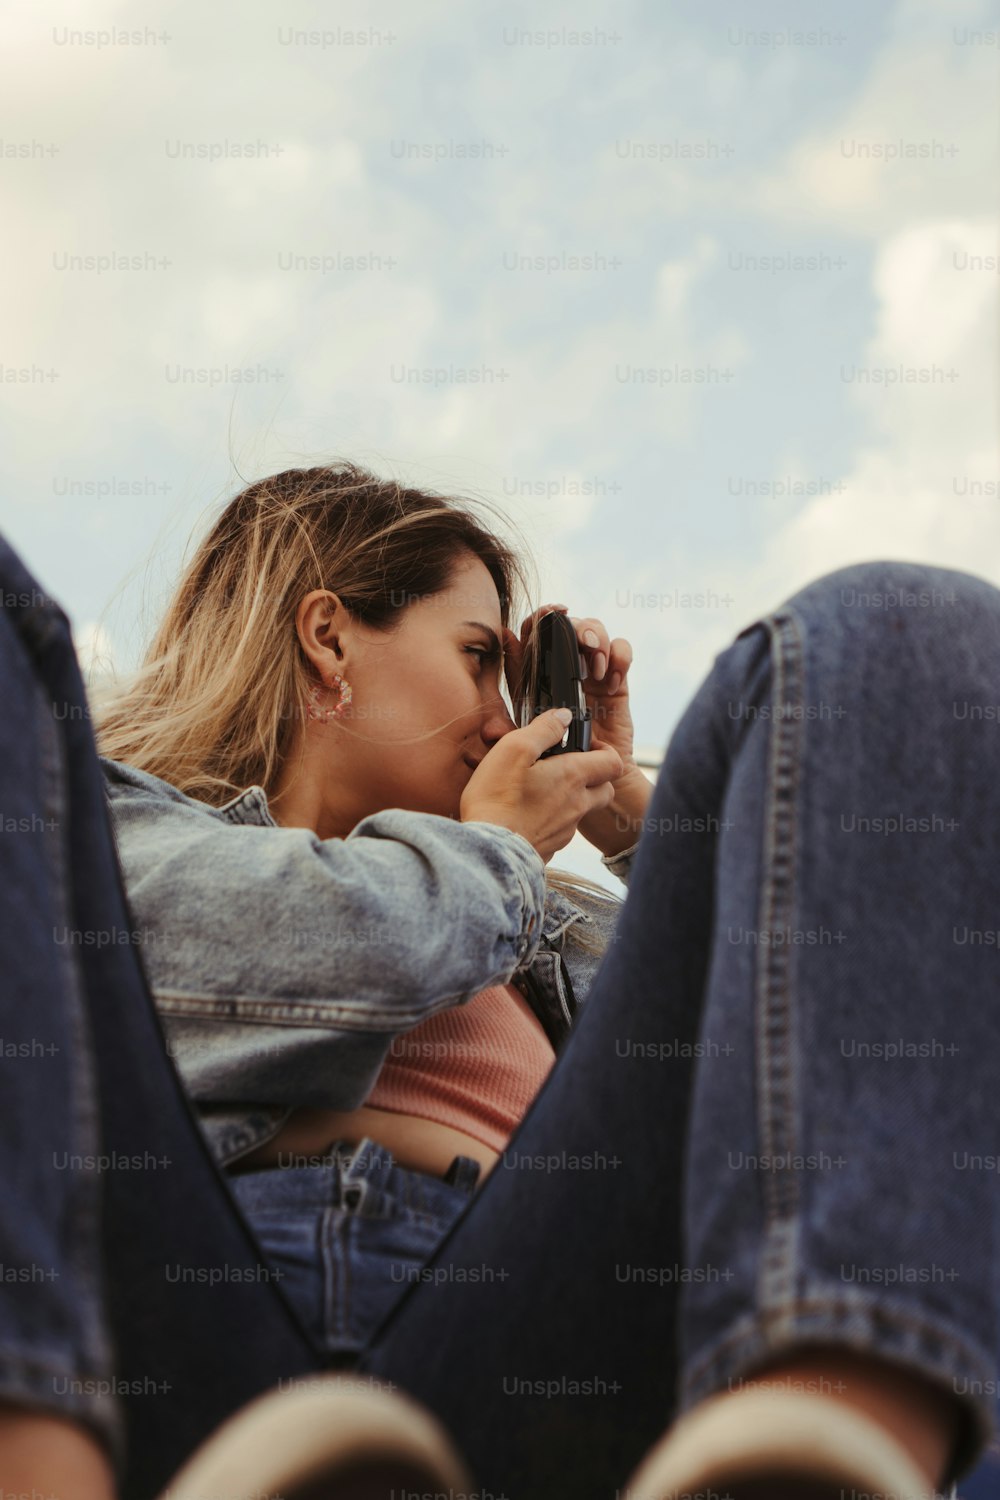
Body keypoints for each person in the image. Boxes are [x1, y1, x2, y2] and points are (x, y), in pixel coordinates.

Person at [1, 462, 998, 1499]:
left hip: (535, 1337)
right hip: (177, 1335)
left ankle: (818, 1440)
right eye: (479, 659)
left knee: (897, 630)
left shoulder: (548, 927)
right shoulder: (102, 830)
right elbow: (351, 944)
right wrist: (497, 849)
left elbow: (817, 1038)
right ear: (328, 637)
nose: (500, 716)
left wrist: (640, 828)